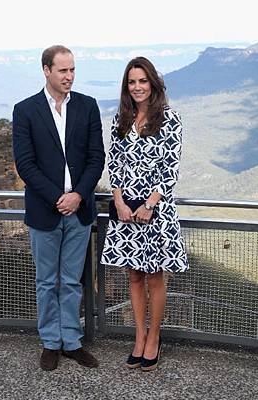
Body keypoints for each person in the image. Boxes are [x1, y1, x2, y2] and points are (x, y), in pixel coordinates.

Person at [12, 45, 105, 371]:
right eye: (63, 70)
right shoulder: (25, 110)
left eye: (73, 70)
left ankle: (72, 342)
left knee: (71, 281)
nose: (69, 76)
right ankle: (50, 342)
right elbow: (25, 164)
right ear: (46, 70)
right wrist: (58, 198)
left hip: (79, 210)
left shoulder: (88, 106)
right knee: (46, 281)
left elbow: (97, 158)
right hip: (45, 211)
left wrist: (78, 195)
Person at [100, 57, 189, 372]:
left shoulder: (169, 118)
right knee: (134, 275)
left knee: (154, 276)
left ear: (153, 83)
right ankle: (138, 337)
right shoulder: (120, 119)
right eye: (131, 82)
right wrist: (119, 200)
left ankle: (154, 337)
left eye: (142, 81)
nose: (137, 87)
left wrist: (149, 204)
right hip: (125, 211)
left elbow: (170, 168)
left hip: (155, 211)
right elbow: (115, 165)